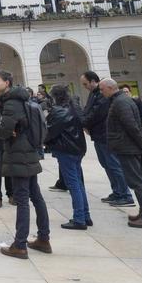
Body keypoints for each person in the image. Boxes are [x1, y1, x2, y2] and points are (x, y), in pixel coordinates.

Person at [0, 71, 50, 259]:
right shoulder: (22, 99)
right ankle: (43, 238)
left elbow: (3, 131)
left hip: (18, 154)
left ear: (7, 83)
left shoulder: (10, 103)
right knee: (36, 197)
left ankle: (20, 244)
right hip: (29, 152)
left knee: (23, 199)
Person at [102, 79, 142, 228]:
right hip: (126, 145)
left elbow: (131, 125)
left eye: (102, 90)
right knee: (136, 180)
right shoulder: (122, 100)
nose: (101, 93)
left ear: (109, 88)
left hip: (127, 146)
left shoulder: (121, 102)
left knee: (137, 181)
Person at [81, 71, 134, 208]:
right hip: (98, 135)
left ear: (94, 81)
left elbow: (97, 113)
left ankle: (125, 194)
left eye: (86, 83)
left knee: (114, 165)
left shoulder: (102, 94)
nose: (85, 86)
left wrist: (84, 123)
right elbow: (88, 110)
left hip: (105, 135)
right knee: (106, 164)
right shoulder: (94, 93)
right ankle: (117, 191)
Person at [46, 85, 90, 230]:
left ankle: (79, 219)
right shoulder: (73, 107)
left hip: (66, 149)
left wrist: (42, 140)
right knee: (78, 182)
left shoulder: (59, 111)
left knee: (73, 184)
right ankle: (85, 215)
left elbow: (51, 132)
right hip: (77, 148)